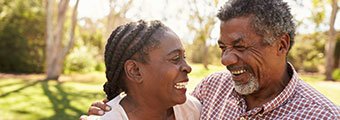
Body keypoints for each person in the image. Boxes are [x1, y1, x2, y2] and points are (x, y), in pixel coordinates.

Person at [84, 0, 340, 119]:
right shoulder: (210, 89)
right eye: (222, 47)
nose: (227, 59)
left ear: (281, 45)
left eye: (240, 46)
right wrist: (117, 108)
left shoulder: (322, 116)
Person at [85, 20, 201, 120]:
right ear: (135, 71)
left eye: (183, 57)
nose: (187, 67)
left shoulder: (193, 110)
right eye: (175, 58)